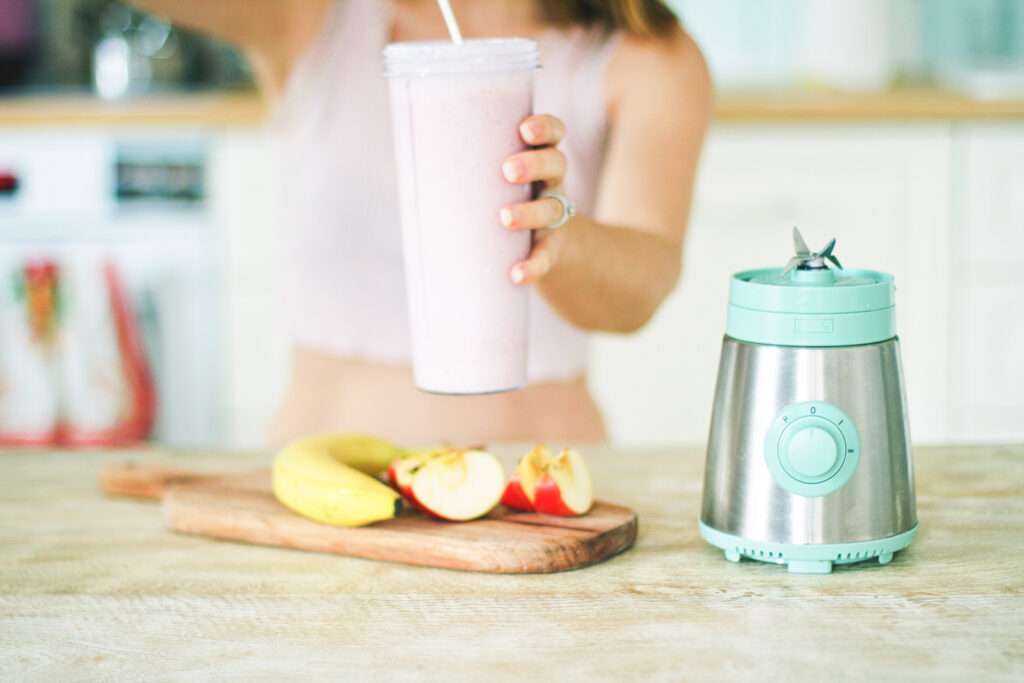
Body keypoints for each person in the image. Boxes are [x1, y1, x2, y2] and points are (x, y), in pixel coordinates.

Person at [131, 0, 711, 446]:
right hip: (324, 508)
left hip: (533, 507)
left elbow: (639, 290)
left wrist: (558, 234)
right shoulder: (315, 17)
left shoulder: (645, 56)